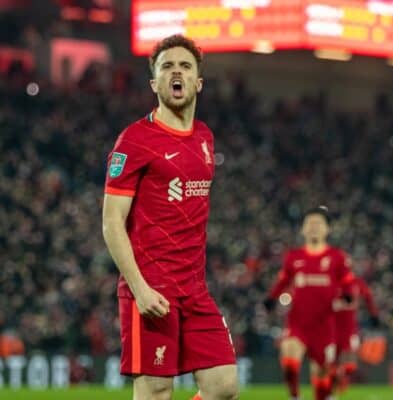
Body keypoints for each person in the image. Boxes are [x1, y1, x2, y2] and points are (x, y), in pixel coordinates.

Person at [102, 34, 238, 400]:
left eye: (184, 66)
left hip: (195, 289)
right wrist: (140, 289)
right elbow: (111, 223)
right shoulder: (134, 140)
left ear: (198, 82)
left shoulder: (205, 138)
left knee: (223, 386)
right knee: (156, 391)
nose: (176, 72)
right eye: (167, 66)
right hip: (151, 288)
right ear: (154, 82)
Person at [263, 206, 354, 400]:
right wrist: (271, 298)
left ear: (327, 229)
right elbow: (283, 281)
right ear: (303, 229)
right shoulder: (294, 257)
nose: (313, 227)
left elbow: (347, 282)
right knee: (289, 355)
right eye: (310, 223)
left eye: (318, 223)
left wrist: (347, 295)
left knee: (321, 376)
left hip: (324, 325)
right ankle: (294, 396)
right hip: (298, 322)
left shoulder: (336, 257)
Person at [332, 275, 380, 393]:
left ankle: (341, 378)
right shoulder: (330, 279)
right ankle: (334, 380)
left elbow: (368, 296)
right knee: (332, 359)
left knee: (350, 360)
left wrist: (374, 314)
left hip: (350, 329)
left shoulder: (356, 282)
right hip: (332, 328)